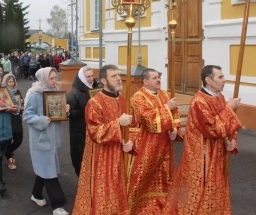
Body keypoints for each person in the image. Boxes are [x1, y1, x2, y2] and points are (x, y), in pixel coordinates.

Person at [163, 65, 243, 215]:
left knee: (217, 186)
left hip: (217, 152)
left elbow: (227, 126)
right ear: (208, 80)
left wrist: (230, 141)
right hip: (202, 155)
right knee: (200, 190)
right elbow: (212, 129)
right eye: (220, 77)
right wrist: (229, 109)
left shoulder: (220, 97)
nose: (224, 80)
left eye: (223, 76)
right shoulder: (199, 101)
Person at [72, 64, 134, 215]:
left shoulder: (125, 101)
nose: (119, 79)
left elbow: (134, 126)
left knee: (122, 192)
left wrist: (130, 141)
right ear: (103, 81)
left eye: (119, 75)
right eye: (114, 76)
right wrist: (118, 123)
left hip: (122, 155)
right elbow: (95, 132)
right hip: (103, 158)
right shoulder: (94, 103)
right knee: (105, 195)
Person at [127, 68, 180, 214]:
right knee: (144, 176)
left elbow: (175, 113)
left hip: (165, 144)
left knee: (165, 174)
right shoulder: (138, 97)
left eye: (159, 77)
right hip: (147, 144)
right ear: (145, 81)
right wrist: (166, 107)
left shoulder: (164, 94)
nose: (158, 80)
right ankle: (138, 207)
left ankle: (166, 205)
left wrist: (174, 129)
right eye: (155, 78)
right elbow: (149, 120)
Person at [23, 67, 70, 215]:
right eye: (51, 78)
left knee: (45, 169)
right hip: (41, 140)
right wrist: (42, 120)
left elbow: (57, 113)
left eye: (56, 77)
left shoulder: (55, 92)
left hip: (53, 139)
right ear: (43, 78)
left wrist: (65, 110)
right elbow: (27, 116)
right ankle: (58, 205)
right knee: (50, 172)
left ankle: (36, 194)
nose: (54, 80)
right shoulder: (35, 94)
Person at [66, 66, 99, 176]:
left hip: (95, 130)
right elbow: (71, 114)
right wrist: (88, 111)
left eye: (92, 76)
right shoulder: (74, 94)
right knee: (81, 158)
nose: (91, 79)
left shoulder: (97, 90)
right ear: (81, 78)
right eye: (88, 76)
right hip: (79, 131)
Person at [2, 74, 24, 170]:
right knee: (7, 140)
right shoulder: (3, 92)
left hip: (17, 119)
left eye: (12, 81)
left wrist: (21, 107)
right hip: (8, 119)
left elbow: (20, 104)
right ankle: (10, 159)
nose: (11, 83)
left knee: (18, 140)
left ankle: (8, 151)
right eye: (9, 82)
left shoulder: (17, 91)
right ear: (5, 82)